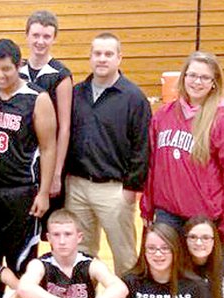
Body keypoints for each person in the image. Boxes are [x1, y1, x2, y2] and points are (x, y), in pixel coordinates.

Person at [140, 52, 224, 245]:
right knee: (166, 274)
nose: (197, 82)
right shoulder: (164, 115)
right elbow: (152, 168)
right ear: (183, 77)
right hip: (167, 216)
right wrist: (147, 207)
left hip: (204, 221)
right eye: (192, 75)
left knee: (202, 275)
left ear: (214, 82)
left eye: (204, 77)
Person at [65, 32, 151, 275]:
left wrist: (130, 189)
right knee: (80, 255)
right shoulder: (76, 93)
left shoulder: (134, 98)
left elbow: (142, 146)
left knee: (124, 255)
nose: (102, 59)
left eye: (108, 54)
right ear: (90, 57)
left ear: (119, 58)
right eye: (97, 53)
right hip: (78, 187)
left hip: (114, 190)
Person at [0, 38, 56, 274]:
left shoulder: (37, 98)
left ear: (19, 65)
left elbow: (49, 147)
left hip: (20, 192)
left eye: (6, 69)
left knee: (21, 262)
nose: (0, 75)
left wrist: (43, 192)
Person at [21, 10, 73, 207]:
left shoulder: (61, 76)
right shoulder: (17, 71)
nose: (40, 41)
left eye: (46, 36)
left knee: (51, 225)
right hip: (23, 162)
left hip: (48, 161)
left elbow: (65, 127)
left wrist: (56, 173)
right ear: (26, 35)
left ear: (54, 38)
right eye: (35, 35)